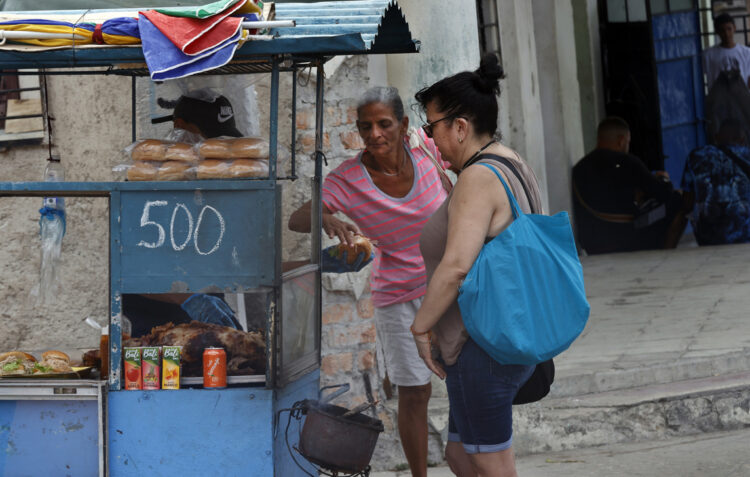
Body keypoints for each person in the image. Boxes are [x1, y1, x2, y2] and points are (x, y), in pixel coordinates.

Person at [288, 86, 449, 477]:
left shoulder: (428, 151)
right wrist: (325, 218)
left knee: (467, 381)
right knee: (415, 391)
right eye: (365, 127)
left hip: (449, 285)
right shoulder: (348, 180)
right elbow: (297, 219)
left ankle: (474, 460)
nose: (375, 134)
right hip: (399, 297)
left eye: (384, 124)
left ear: (403, 124)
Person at [411, 53, 543, 477]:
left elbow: (455, 268)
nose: (431, 140)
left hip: (482, 343)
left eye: (433, 128)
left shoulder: (478, 178)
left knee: (489, 463)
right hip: (502, 334)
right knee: (461, 456)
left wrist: (421, 326)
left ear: (460, 127)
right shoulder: (508, 161)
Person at [123, 92, 244, 336]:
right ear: (180, 128)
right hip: (155, 330)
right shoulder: (147, 189)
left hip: (209, 324)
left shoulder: (211, 189)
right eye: (207, 136)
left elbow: (240, 264)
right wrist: (191, 299)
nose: (215, 147)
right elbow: (130, 273)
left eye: (221, 139)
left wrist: (310, 263)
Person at [572, 117, 691, 255]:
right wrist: (664, 179)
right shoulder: (627, 162)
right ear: (621, 140)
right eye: (628, 142)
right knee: (678, 199)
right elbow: (663, 193)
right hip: (627, 240)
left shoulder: (579, 168)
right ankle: (666, 254)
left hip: (591, 244)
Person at [703, 13, 750, 90]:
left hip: (740, 99)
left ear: (734, 28)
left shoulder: (747, 53)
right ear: (717, 31)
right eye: (722, 30)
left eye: (729, 29)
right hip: (718, 100)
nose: (726, 34)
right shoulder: (707, 55)